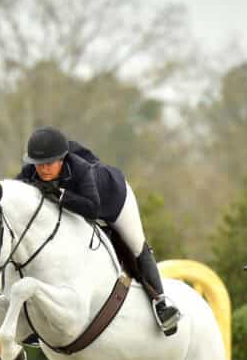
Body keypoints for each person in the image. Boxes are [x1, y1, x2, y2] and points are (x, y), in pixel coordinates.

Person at [16, 125, 180, 334]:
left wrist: (59, 194)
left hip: (114, 202)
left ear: (61, 159)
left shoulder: (81, 169)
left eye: (48, 164)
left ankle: (161, 304)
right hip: (77, 208)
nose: (43, 170)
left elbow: (92, 209)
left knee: (136, 247)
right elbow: (14, 193)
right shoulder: (31, 170)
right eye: (38, 165)